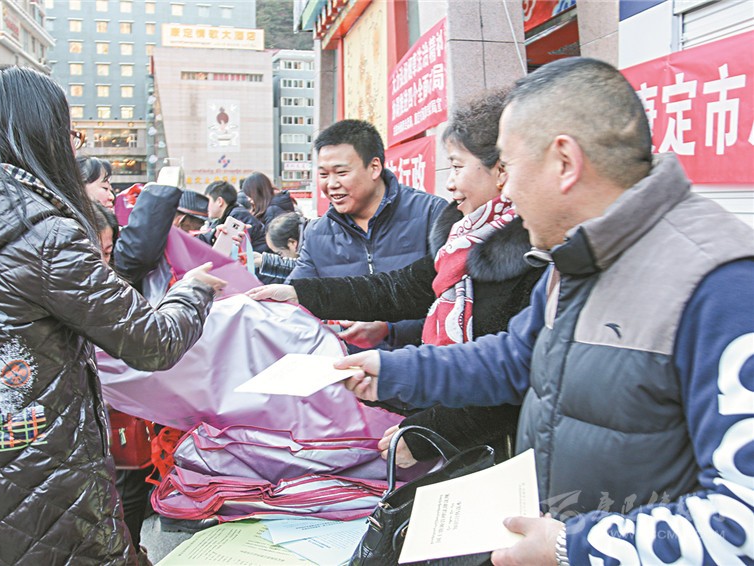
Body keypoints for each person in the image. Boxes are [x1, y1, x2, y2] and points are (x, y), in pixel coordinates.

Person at [339, 57, 754, 565]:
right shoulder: (575, 257)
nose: (507, 189)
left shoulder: (722, 286)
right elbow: (517, 358)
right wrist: (393, 370)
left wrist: (570, 547)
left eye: (510, 167)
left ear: (564, 162)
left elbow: (742, 523)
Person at [0, 65, 226, 565]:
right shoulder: (42, 234)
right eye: (70, 136)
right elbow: (152, 341)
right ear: (44, 137)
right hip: (47, 487)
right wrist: (193, 290)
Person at [248, 90, 545, 465]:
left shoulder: (538, 252)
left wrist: (427, 433)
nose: (450, 183)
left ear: (501, 170)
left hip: (508, 450)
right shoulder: (462, 239)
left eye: (457, 167)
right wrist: (299, 293)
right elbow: (395, 289)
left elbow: (508, 369)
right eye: (323, 174)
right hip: (419, 403)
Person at [288, 119, 447, 351]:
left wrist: (390, 329)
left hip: (421, 363)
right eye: (323, 174)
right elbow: (296, 302)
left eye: (341, 172)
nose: (331, 184)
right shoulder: (316, 233)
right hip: (351, 368)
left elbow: (451, 303)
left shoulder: (431, 214)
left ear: (374, 167)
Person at [199, 180, 268, 252]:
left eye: (207, 201)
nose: (205, 206)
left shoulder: (237, 217)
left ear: (219, 201)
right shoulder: (229, 215)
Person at [253, 212, 308, 284]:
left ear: (292, 243)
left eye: (280, 253)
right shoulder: (312, 242)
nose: (282, 257)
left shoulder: (315, 256)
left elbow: (303, 270)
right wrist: (263, 261)